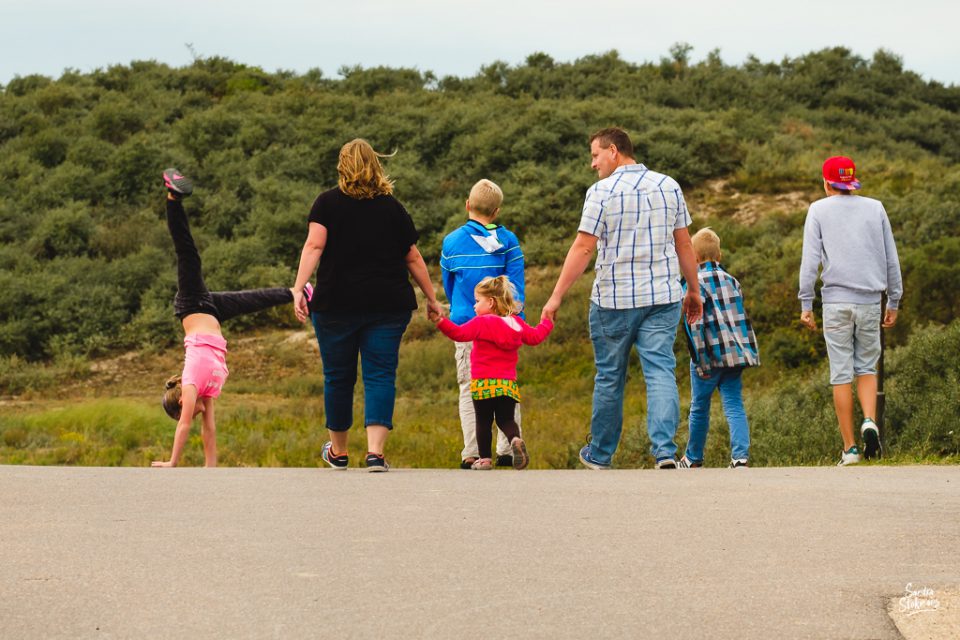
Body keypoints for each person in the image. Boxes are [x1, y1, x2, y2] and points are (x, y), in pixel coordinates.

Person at [541, 127, 702, 470]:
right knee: (660, 370)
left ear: (614, 151)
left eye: (595, 156)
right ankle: (664, 453)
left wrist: (556, 297)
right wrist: (694, 290)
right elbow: (684, 244)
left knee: (610, 376)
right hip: (662, 296)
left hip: (613, 300)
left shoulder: (601, 192)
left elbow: (585, 247)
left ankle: (600, 454)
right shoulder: (668, 186)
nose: (593, 164)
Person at [292, 139, 442, 472]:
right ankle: (375, 453)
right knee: (380, 375)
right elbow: (413, 257)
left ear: (342, 165)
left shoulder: (326, 204)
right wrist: (432, 299)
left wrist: (298, 288)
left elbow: (314, 246)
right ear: (376, 165)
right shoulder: (392, 207)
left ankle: (339, 452)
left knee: (337, 377)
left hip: (336, 306)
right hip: (387, 306)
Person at [154, 168, 302, 468]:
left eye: (191, 410)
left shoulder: (191, 382)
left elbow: (184, 426)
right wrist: (211, 468)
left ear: (182, 401)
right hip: (212, 312)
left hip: (192, 304)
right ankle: (297, 292)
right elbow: (209, 429)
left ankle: (173, 198)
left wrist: (172, 463)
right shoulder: (205, 391)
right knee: (252, 300)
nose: (197, 413)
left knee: (189, 255)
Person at [798, 156, 902, 466]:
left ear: (826, 183)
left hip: (836, 302)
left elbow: (809, 262)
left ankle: (850, 449)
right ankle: (870, 420)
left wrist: (806, 304)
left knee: (841, 372)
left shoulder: (818, 209)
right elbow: (891, 259)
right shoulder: (875, 207)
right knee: (867, 367)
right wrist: (893, 300)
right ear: (852, 182)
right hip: (871, 300)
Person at [439, 179, 526, 469]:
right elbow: (516, 287)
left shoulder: (451, 242)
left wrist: (463, 309)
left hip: (467, 324)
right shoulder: (509, 241)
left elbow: (449, 287)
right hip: (505, 325)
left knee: (469, 386)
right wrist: (517, 322)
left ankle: (473, 452)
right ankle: (507, 446)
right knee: (507, 386)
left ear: (467, 205)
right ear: (497, 210)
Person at [432, 276, 552, 470]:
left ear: (491, 302)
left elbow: (459, 334)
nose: (474, 306)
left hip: (483, 383)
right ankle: (514, 439)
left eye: (477, 301)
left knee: (483, 421)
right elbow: (535, 337)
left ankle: (485, 460)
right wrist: (547, 322)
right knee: (506, 420)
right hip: (507, 384)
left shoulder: (481, 322)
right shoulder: (516, 323)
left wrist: (440, 321)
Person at [678, 228, 759, 469]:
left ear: (694, 258)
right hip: (735, 355)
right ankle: (740, 457)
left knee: (699, 407)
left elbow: (695, 325)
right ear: (719, 256)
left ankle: (693, 458)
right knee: (734, 403)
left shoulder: (693, 284)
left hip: (708, 357)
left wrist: (700, 361)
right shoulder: (733, 281)